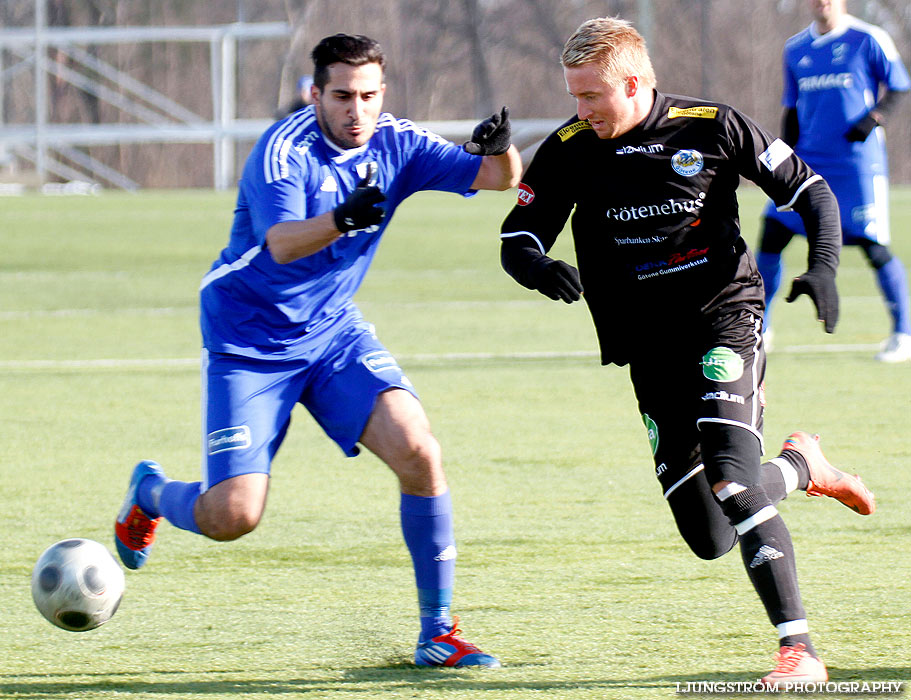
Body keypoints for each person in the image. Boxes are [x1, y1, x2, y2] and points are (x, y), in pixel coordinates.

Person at [115, 33, 520, 668]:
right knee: (233, 516)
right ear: (315, 94)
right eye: (341, 96)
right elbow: (280, 243)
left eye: (367, 96)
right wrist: (343, 219)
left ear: (382, 95)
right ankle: (152, 493)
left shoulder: (398, 143)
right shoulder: (284, 149)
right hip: (247, 338)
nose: (355, 111)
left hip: (332, 334)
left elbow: (497, 180)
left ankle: (437, 631)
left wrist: (501, 149)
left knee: (419, 449)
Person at [499, 16, 876, 688]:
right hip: (647, 349)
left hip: (722, 321)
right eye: (573, 97)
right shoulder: (569, 147)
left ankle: (799, 652)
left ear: (636, 83)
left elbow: (810, 190)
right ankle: (798, 466)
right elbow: (517, 236)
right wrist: (535, 266)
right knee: (710, 536)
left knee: (731, 477)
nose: (580, 111)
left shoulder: (711, 127)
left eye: (592, 96)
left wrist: (821, 264)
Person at [757, 0, 911, 362]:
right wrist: (784, 158)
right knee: (772, 233)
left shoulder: (868, 38)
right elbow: (792, 108)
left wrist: (874, 118)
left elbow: (900, 86)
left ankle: (903, 333)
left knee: (874, 247)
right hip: (809, 161)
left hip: (858, 165)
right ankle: (760, 328)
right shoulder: (796, 48)